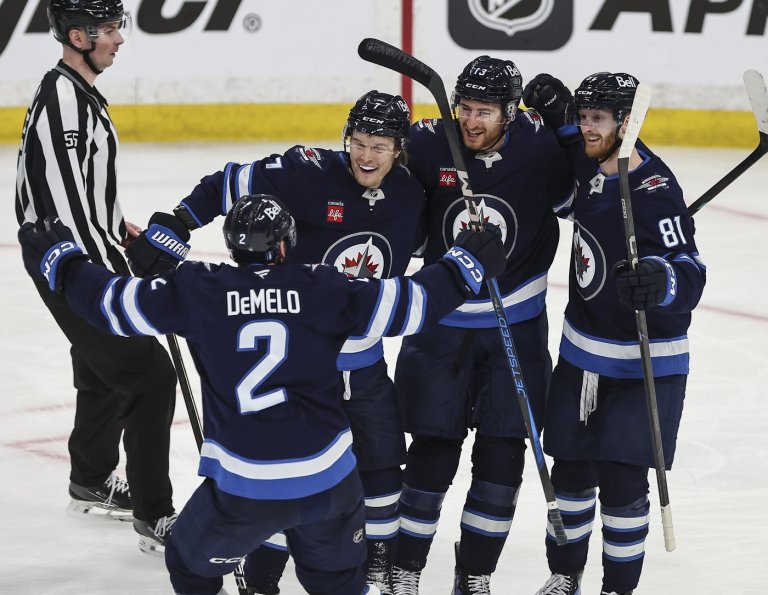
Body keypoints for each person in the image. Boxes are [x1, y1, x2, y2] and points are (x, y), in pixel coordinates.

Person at [17, 194, 507, 595]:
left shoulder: (198, 290)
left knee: (188, 562)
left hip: (244, 490)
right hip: (328, 484)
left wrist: (62, 262)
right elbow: (412, 305)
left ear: (232, 247)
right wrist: (464, 265)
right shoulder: (324, 287)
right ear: (286, 245)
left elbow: (110, 306)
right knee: (337, 582)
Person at [150, 90, 424, 594]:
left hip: (365, 365)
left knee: (384, 468)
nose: (366, 156)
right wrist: (179, 221)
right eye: (359, 142)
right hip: (303, 366)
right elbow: (228, 183)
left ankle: (377, 567)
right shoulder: (307, 171)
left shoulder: (411, 192)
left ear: (398, 150)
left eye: (380, 147)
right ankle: (263, 579)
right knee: (286, 479)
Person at [391, 56, 574, 594]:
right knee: (432, 448)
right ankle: (405, 567)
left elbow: (586, 194)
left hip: (516, 323)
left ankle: (475, 574)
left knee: (502, 454)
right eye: (465, 109)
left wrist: (566, 124)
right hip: (441, 325)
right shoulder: (428, 144)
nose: (471, 121)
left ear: (510, 113)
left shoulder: (540, 147)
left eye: (485, 112)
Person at [521, 72, 706, 595]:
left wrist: (660, 281)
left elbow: (691, 270)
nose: (587, 128)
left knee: (623, 485)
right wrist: (557, 117)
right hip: (582, 354)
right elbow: (569, 186)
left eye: (597, 119)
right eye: (583, 117)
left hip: (645, 363)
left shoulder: (656, 190)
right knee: (570, 475)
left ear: (626, 123)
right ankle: (565, 576)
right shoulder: (591, 160)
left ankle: (616, 589)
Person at [14, 0, 178, 554]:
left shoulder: (76, 92)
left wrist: (117, 229)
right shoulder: (64, 99)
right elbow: (62, 208)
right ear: (78, 37)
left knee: (101, 364)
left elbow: (79, 191)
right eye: (108, 30)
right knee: (149, 375)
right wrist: (108, 278)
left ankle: (89, 476)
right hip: (66, 263)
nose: (119, 39)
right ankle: (155, 514)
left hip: (75, 252)